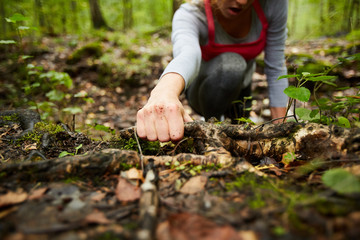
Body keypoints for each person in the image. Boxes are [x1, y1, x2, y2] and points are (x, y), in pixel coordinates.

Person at [136, 0, 289, 142]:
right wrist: (164, 92)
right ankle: (212, 128)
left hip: (243, 91)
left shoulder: (272, 4)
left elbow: (276, 66)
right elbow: (187, 54)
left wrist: (282, 131)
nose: (242, 1)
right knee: (233, 64)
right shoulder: (191, 14)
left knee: (243, 139)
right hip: (205, 92)